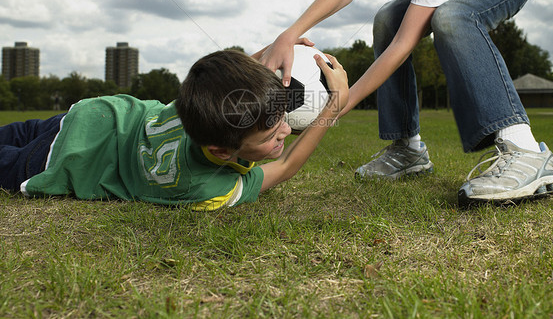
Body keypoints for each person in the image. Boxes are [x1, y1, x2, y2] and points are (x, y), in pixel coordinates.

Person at [260, 0, 553, 205]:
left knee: (453, 19)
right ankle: (408, 149)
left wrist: (337, 106)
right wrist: (290, 34)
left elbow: (402, 47)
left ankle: (526, 151)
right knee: (388, 19)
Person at [0, 49, 348, 210]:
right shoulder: (209, 187)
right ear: (221, 152)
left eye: (283, 119)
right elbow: (286, 167)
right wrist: (333, 104)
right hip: (64, 158)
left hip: (95, 115)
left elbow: (228, 74)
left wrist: (279, 54)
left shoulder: (200, 106)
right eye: (272, 136)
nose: (286, 131)